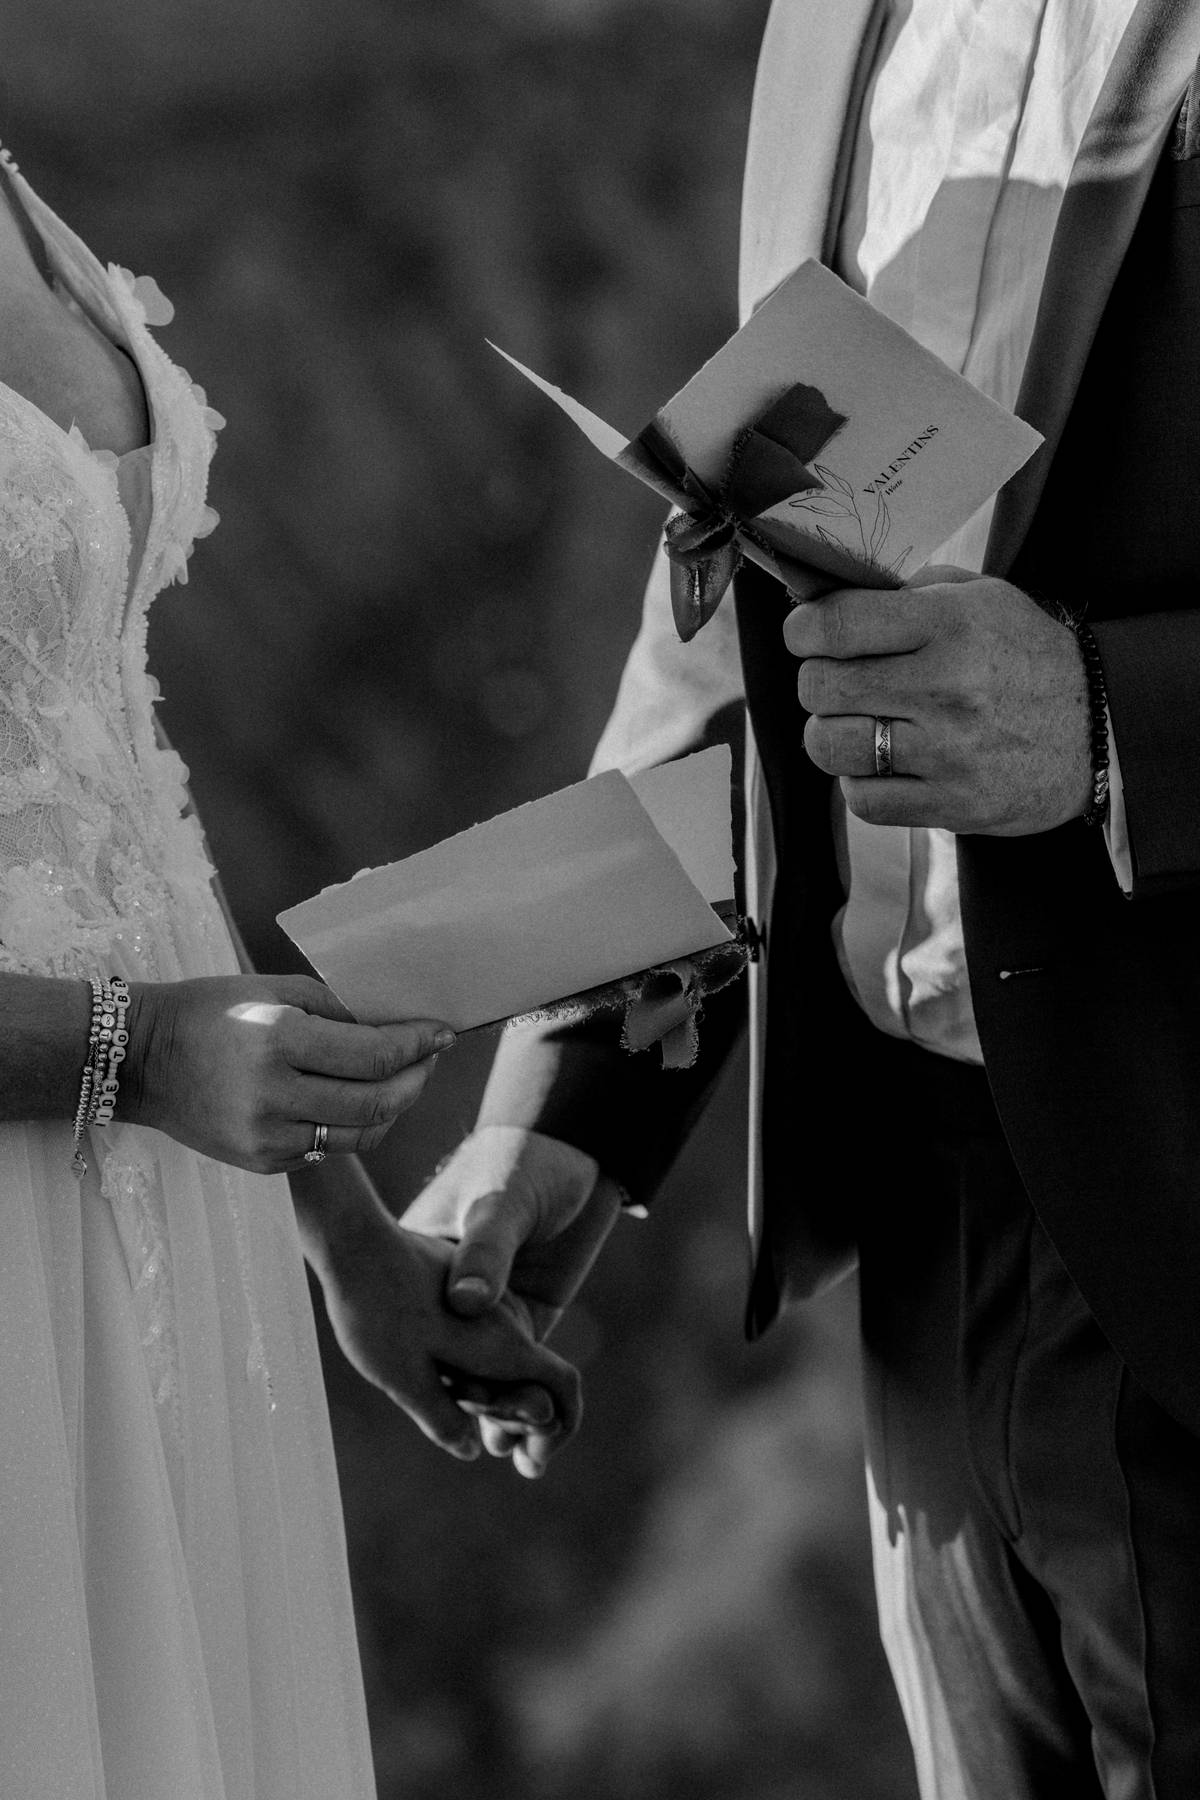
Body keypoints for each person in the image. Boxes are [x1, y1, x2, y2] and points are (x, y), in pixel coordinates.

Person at [401, 3, 1200, 1795]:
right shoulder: (835, 22)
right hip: (925, 1251)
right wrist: (577, 1092)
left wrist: (1114, 722)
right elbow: (755, 577)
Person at [0, 142, 581, 1798]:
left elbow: (105, 770)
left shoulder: (21, 191)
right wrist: (134, 1057)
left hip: (179, 1225)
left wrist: (337, 1232)